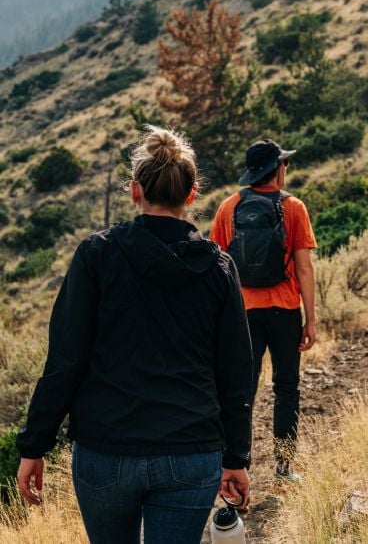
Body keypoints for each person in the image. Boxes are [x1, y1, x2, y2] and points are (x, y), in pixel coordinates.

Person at [15, 126, 254, 544]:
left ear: (135, 190)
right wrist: (236, 457)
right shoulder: (218, 268)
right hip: (191, 450)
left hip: (106, 451)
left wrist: (35, 444)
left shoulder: (97, 255)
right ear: (192, 194)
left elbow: (66, 359)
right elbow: (236, 371)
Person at [210, 139, 317, 482]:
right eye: (285, 164)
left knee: (242, 391)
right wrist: (311, 319)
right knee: (286, 388)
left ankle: (237, 467)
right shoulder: (294, 208)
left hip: (244, 314)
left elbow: (218, 267)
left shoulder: (228, 208)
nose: (287, 169)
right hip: (285, 310)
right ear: (277, 169)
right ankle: (284, 469)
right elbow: (304, 269)